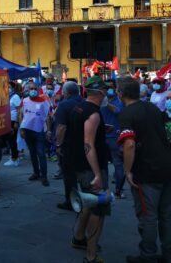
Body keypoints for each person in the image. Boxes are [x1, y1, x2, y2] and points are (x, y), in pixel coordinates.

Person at [117, 76, 171, 263]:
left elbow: (129, 144)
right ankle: (167, 253)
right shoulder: (153, 108)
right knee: (166, 215)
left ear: (121, 94)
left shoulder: (126, 114)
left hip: (147, 171)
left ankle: (147, 255)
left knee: (148, 215)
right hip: (166, 166)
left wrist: (127, 170)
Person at [67, 76, 110, 263]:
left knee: (88, 203)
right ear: (100, 92)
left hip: (77, 164)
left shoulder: (78, 108)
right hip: (90, 168)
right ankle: (91, 256)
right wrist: (98, 174)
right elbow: (88, 145)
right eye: (106, 90)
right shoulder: (93, 113)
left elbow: (78, 133)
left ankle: (78, 237)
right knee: (98, 210)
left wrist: (100, 130)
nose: (107, 93)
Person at [54, 81, 83, 211]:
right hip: (84, 144)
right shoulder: (85, 102)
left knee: (69, 175)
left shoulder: (64, 105)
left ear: (67, 93)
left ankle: (71, 201)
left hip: (69, 145)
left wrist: (58, 144)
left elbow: (61, 127)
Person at [19, 81, 50, 186]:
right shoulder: (25, 100)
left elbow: (48, 117)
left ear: (38, 90)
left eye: (34, 89)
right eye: (31, 89)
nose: (33, 91)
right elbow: (21, 114)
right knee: (32, 153)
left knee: (41, 154)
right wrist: (21, 129)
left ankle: (44, 176)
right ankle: (36, 173)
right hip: (27, 131)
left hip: (39, 131)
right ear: (27, 91)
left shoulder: (43, 102)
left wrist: (48, 130)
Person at [100, 79, 125, 199]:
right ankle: (103, 190)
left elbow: (119, 112)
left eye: (111, 87)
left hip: (114, 137)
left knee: (118, 165)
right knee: (102, 165)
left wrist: (106, 103)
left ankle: (118, 191)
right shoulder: (99, 101)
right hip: (101, 137)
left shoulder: (119, 101)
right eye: (106, 87)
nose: (108, 89)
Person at [4, 81, 22, 167]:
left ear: (12, 88)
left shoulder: (15, 97)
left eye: (9, 86)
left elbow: (19, 110)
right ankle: (13, 157)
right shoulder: (7, 96)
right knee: (10, 140)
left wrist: (17, 122)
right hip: (7, 120)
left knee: (13, 140)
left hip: (13, 120)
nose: (7, 88)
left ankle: (15, 159)